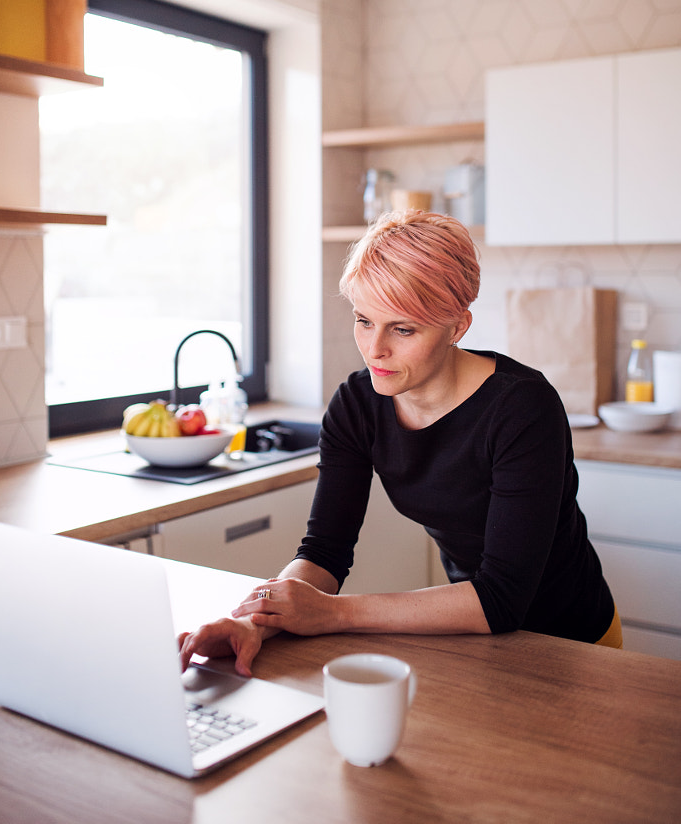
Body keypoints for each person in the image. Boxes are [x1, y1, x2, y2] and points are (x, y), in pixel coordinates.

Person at [179, 210, 622, 676]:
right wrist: (252, 621)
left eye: (403, 329)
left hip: (574, 644)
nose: (375, 349)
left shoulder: (523, 409)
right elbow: (324, 553)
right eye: (364, 320)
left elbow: (501, 598)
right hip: (476, 637)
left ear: (457, 326)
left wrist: (333, 613)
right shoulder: (357, 403)